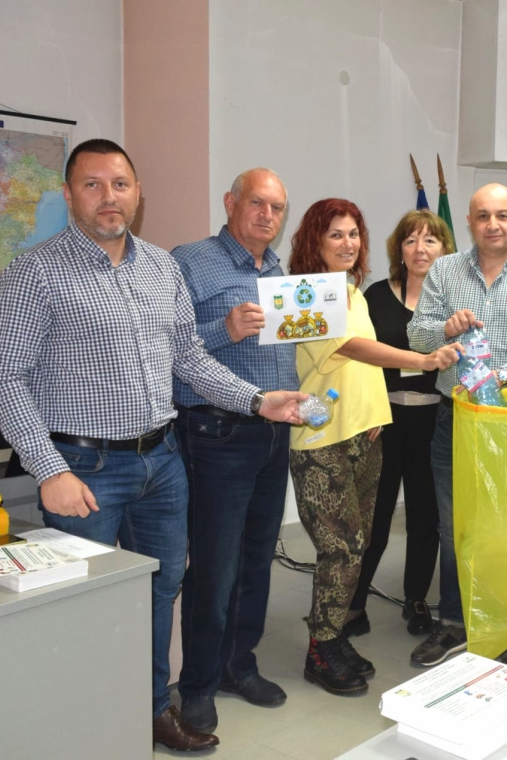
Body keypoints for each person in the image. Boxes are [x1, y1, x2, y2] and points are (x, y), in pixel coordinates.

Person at [0, 139, 305, 753]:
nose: (109, 197)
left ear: (138, 193)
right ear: (70, 194)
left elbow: (190, 359)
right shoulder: (35, 272)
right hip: (82, 468)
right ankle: (84, 727)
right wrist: (48, 468)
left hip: (163, 461)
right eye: (93, 184)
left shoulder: (161, 268)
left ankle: (152, 709)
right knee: (80, 601)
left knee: (159, 591)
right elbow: (3, 379)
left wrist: (258, 400)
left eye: (120, 184)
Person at [286, 199, 459, 696]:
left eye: (353, 234)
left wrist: (374, 416)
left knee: (355, 545)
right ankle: (320, 650)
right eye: (335, 235)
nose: (347, 243)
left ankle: (334, 637)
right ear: (315, 241)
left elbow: (359, 372)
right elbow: (349, 348)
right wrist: (422, 359)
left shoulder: (352, 292)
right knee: (340, 548)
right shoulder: (305, 292)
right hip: (322, 439)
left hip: (363, 434)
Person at [406, 183, 507, 670]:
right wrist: (446, 329)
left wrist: (503, 376)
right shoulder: (444, 271)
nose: (492, 224)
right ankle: (454, 622)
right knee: (454, 526)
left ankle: (505, 625)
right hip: (454, 419)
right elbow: (416, 338)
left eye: (502, 215)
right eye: (482, 216)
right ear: (470, 223)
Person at [170, 168, 295, 734]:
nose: (267, 215)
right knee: (214, 567)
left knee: (256, 560)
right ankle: (197, 685)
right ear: (230, 202)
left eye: (277, 207)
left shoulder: (277, 271)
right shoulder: (190, 261)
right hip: (215, 434)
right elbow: (170, 346)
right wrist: (224, 328)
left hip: (272, 433)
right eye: (257, 203)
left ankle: (238, 664)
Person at [343, 209, 456, 639]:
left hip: (434, 420)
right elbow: (360, 360)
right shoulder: (374, 295)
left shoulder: (452, 302)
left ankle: (416, 599)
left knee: (426, 517)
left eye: (430, 240)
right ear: (399, 250)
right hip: (384, 421)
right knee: (374, 516)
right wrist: (370, 411)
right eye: (411, 240)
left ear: (444, 249)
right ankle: (353, 604)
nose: (420, 249)